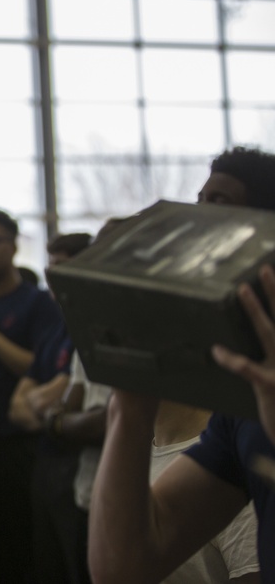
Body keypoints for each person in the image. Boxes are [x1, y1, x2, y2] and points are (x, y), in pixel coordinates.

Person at [90, 146, 275, 583]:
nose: (198, 220)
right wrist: (130, 406)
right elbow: (123, 568)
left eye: (220, 203)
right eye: (199, 201)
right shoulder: (240, 406)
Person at [0, 207, 64, 584]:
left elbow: (41, 368)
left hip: (20, 445)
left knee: (23, 553)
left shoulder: (36, 304)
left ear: (14, 245)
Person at [7, 231, 92, 584]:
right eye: (51, 266)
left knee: (79, 566)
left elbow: (51, 398)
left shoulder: (86, 330)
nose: (53, 275)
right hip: (45, 461)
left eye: (63, 267)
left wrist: (45, 404)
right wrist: (50, 408)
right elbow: (19, 406)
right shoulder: (56, 327)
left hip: (77, 463)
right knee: (48, 565)